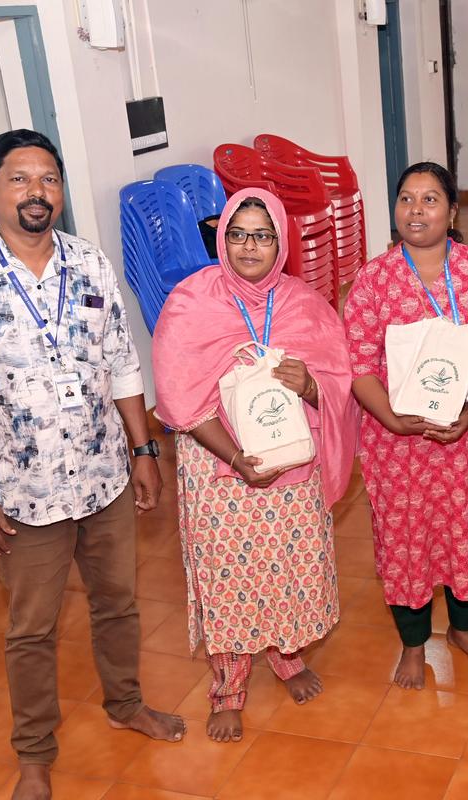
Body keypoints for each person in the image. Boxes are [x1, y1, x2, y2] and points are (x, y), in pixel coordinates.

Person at [0, 129, 185, 800]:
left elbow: (122, 362)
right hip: (20, 491)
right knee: (31, 629)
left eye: (47, 180)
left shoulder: (90, 264)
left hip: (104, 477)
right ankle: (35, 753)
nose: (36, 192)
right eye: (19, 178)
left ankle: (125, 704)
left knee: (119, 605)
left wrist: (144, 448)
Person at [152, 189, 359, 741]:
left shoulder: (305, 304)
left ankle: (287, 657)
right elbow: (176, 397)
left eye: (262, 235)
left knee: (289, 561)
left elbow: (341, 386)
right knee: (228, 575)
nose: (249, 246)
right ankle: (228, 687)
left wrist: (310, 384)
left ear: (281, 243)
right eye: (238, 234)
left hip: (290, 466)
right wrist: (237, 458)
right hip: (219, 464)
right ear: (222, 239)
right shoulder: (191, 302)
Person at [344, 162, 468, 689]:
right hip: (396, 444)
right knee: (406, 540)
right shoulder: (373, 280)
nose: (416, 210)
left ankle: (464, 630)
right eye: (406, 199)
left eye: (429, 200)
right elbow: (358, 365)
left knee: (467, 533)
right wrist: (391, 420)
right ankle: (412, 644)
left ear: (452, 211)